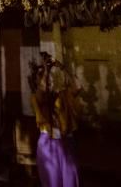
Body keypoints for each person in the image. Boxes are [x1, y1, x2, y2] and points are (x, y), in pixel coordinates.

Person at [30, 52, 81, 187]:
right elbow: (42, 90)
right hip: (48, 144)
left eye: (49, 78)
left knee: (71, 178)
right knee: (52, 182)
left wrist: (62, 67)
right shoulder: (36, 98)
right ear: (37, 82)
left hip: (66, 142)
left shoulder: (62, 95)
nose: (48, 80)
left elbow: (77, 86)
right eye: (42, 77)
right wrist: (46, 70)